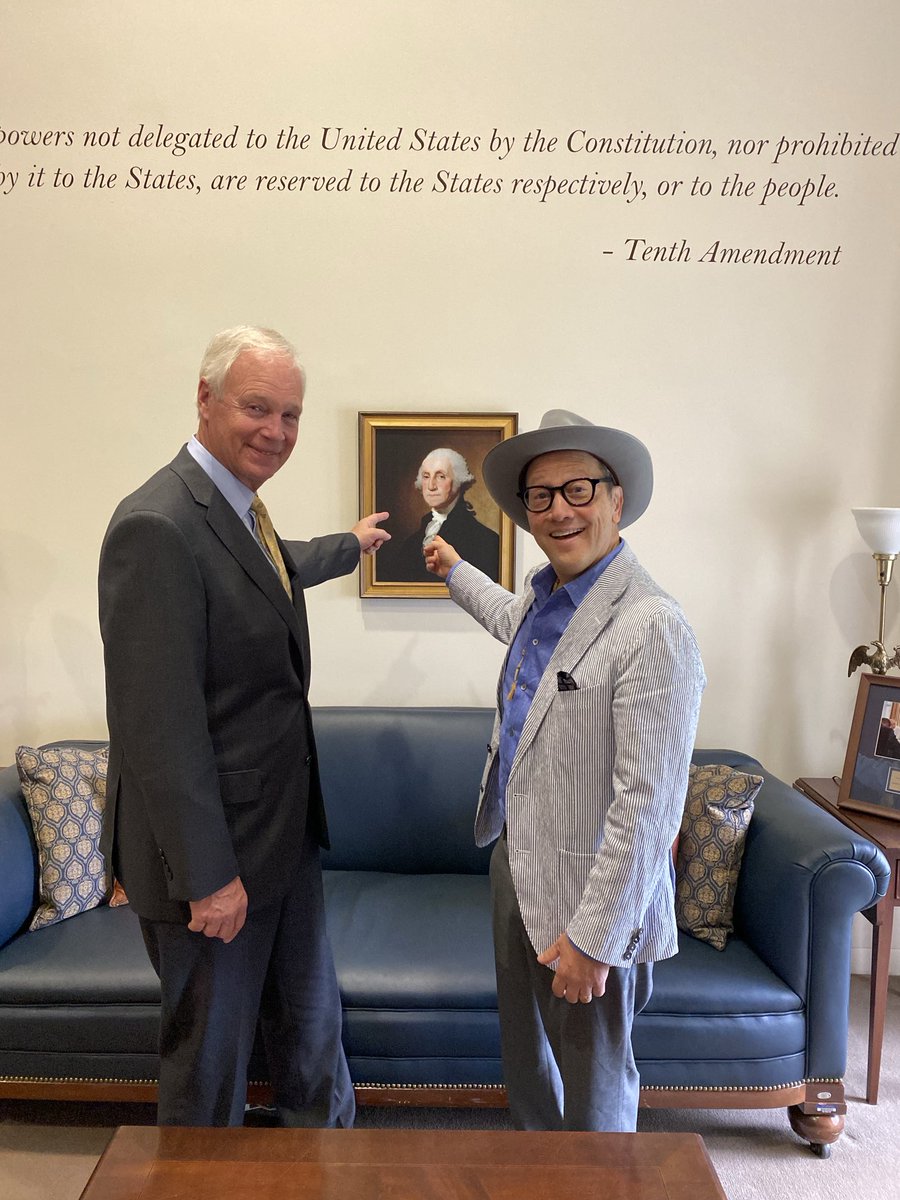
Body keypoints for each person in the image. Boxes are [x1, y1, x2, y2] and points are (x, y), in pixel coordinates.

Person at [98, 326, 389, 1127]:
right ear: (204, 398)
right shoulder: (155, 525)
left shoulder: (236, 513)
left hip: (285, 837)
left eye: (291, 416)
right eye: (257, 408)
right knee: (210, 1069)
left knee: (308, 1036)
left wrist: (351, 546)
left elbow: (269, 565)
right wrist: (206, 875)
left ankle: (320, 1172)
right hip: (216, 861)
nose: (277, 432)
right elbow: (157, 723)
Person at [424, 409, 705, 1132]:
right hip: (516, 866)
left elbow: (649, 805)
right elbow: (504, 615)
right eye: (540, 497)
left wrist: (595, 940)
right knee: (527, 1063)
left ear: (616, 500)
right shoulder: (547, 599)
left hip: (589, 900)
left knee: (593, 1087)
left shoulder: (652, 626)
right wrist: (454, 571)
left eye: (577, 489)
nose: (558, 510)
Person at [381, 447, 500, 581]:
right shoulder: (412, 543)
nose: (431, 486)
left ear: (459, 481)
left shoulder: (486, 541)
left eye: (441, 476)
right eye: (426, 476)